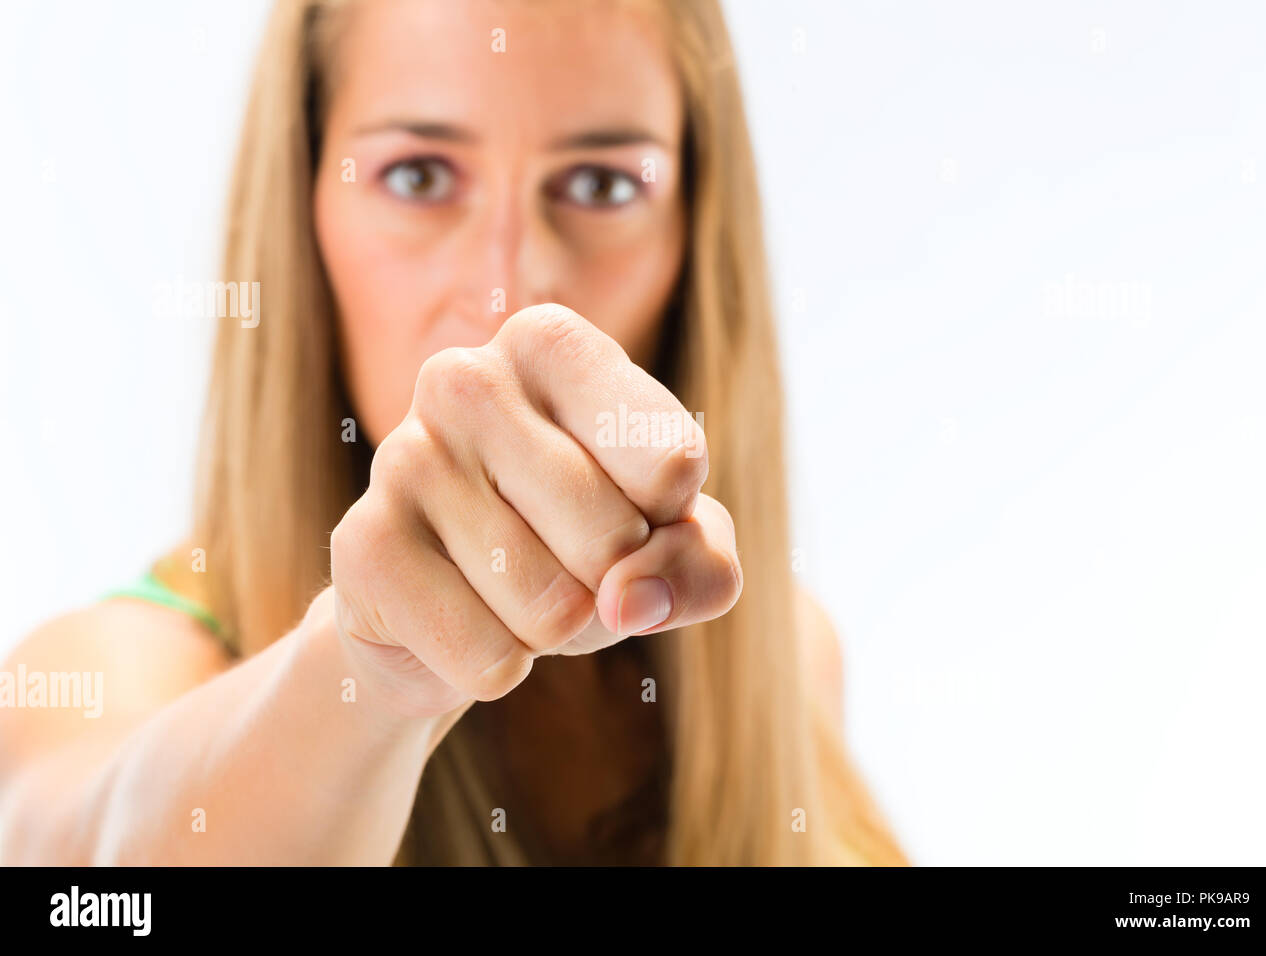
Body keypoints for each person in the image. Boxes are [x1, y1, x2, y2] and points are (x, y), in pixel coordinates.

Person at [0, 0, 906, 866]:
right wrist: (373, 668)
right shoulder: (111, 670)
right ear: (305, 208)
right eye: (418, 176)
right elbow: (98, 867)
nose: (511, 291)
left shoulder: (788, 656)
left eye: (600, 184)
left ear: (695, 234)